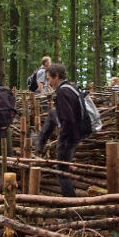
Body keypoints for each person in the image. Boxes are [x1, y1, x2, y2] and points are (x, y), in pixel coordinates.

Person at [33, 64, 83, 197]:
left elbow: (68, 119)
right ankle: (40, 141)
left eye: (49, 79)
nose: (48, 83)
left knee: (61, 172)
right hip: (76, 132)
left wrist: (62, 140)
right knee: (53, 113)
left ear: (57, 76)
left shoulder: (62, 92)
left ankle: (71, 205)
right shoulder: (71, 87)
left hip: (69, 137)